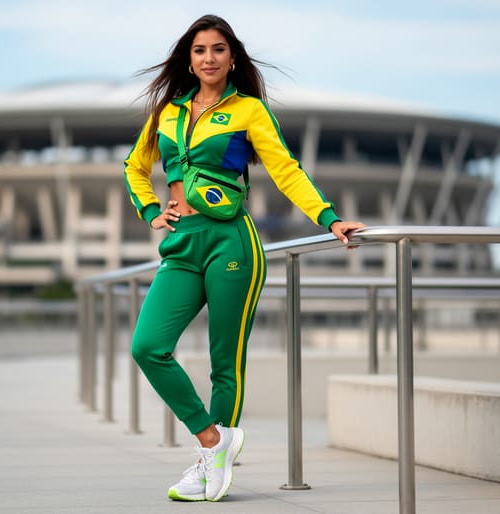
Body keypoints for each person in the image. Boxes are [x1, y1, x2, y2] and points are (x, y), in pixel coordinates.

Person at [124, 14, 366, 502]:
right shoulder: (166, 112)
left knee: (224, 361)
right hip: (181, 246)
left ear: (232, 57)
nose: (208, 58)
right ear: (188, 60)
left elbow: (286, 170)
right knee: (147, 346)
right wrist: (152, 211)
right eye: (199, 50)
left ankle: (210, 462)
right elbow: (134, 166)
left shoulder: (249, 110)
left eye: (217, 49)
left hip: (231, 242)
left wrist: (329, 217)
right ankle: (212, 440)